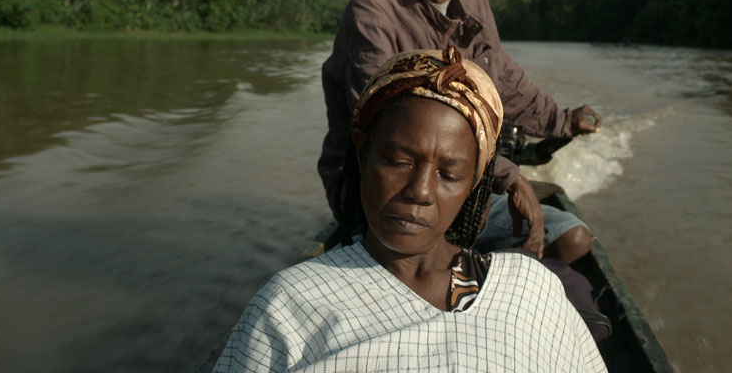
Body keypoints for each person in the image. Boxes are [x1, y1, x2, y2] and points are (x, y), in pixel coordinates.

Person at [214, 48, 606, 372]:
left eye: (449, 174)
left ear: (474, 183)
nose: (420, 192)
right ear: (362, 150)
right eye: (399, 162)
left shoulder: (529, 286)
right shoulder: (288, 306)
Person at [319, 0, 601, 263]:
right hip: (385, 188)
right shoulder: (373, 10)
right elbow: (384, 126)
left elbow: (500, 77)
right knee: (428, 264)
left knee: (572, 239)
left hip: (457, 182)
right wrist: (508, 176)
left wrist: (564, 121)